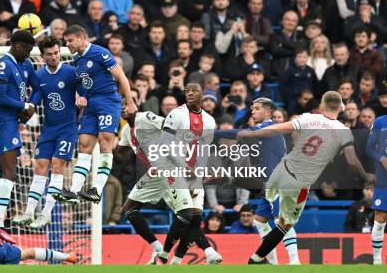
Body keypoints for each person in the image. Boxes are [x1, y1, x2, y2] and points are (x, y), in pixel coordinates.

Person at [240, 91, 375, 264]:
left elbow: (277, 128)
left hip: (281, 170)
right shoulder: (344, 131)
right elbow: (352, 160)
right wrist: (365, 176)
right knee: (284, 224)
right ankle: (258, 259)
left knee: (261, 219)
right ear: (341, 108)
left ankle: (271, 262)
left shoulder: (308, 118)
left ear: (321, 107)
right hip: (298, 183)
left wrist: (251, 133)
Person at [118, 110, 222, 265]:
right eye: (119, 106)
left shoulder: (146, 118)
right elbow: (120, 155)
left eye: (126, 104)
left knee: (187, 215)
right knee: (128, 209)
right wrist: (106, 147)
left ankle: (195, 253)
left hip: (171, 169)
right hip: (155, 173)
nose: (123, 109)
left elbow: (172, 130)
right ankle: (160, 249)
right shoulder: (126, 131)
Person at [215, 97, 299, 264]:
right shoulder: (261, 131)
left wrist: (211, 132)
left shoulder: (268, 127)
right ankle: (273, 262)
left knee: (281, 221)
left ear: (267, 112)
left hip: (279, 181)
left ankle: (294, 262)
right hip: (267, 184)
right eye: (252, 108)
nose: (252, 111)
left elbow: (236, 134)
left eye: (257, 108)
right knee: (260, 222)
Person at [58, 25, 136, 203]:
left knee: (105, 140)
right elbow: (83, 84)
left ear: (81, 38)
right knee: (84, 145)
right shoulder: (77, 60)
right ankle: (74, 191)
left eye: (70, 41)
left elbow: (122, 77)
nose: (67, 44)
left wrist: (130, 102)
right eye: (65, 41)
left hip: (108, 101)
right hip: (91, 105)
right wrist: (81, 96)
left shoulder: (100, 53)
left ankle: (97, 189)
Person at [12, 36, 78, 229]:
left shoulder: (71, 72)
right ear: (42, 56)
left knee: (57, 164)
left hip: (68, 128)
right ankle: (28, 213)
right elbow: (35, 99)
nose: (53, 57)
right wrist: (22, 120)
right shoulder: (39, 76)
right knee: (40, 165)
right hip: (48, 128)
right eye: (49, 54)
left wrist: (83, 97)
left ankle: (46, 213)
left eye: (56, 53)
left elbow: (85, 89)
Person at [154, 83, 216, 264]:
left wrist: (199, 174)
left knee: (196, 219)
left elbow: (204, 150)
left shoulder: (210, 121)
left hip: (193, 173)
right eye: (186, 90)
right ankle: (165, 252)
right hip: (174, 170)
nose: (189, 93)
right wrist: (184, 167)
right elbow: (164, 144)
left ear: (202, 95)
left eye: (193, 90)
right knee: (187, 214)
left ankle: (176, 260)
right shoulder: (176, 114)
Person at [0, 30, 37, 235]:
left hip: (12, 121)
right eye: (27, 49)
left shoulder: (26, 64)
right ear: (16, 46)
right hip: (1, 121)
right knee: (10, 172)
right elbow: (1, 98)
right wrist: (25, 105)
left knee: (2, 174)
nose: (29, 53)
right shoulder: (3, 65)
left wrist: (31, 105)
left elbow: (39, 86)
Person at [366, 115, 387, 265]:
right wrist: (381, 159)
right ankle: (377, 261)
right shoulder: (380, 121)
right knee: (380, 218)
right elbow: (369, 148)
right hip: (383, 177)